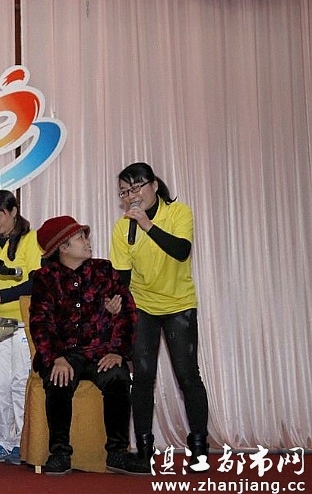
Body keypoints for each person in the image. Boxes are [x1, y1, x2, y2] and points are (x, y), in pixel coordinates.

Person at [109, 162, 210, 473]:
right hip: (143, 305)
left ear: (153, 185)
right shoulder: (122, 228)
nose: (131, 196)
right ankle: (144, 450)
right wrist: (115, 301)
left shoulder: (179, 213)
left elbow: (181, 250)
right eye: (124, 192)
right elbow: (122, 277)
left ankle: (199, 448)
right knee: (142, 377)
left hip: (179, 304)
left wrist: (147, 225)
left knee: (187, 375)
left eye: (135, 188)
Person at [29, 216, 149, 476]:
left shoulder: (104, 270)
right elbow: (40, 323)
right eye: (80, 238)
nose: (87, 242)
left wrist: (117, 350)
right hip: (63, 355)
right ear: (63, 247)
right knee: (58, 380)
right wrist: (56, 357)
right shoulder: (45, 278)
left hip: (100, 353)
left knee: (118, 377)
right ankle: (60, 452)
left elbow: (128, 312)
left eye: (85, 236)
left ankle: (117, 453)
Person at [0, 190, 42, 465]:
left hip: (22, 321)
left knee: (19, 383)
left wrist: (0, 297)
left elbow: (36, 282)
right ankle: (3, 439)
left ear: (14, 212)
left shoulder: (31, 239)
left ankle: (22, 442)